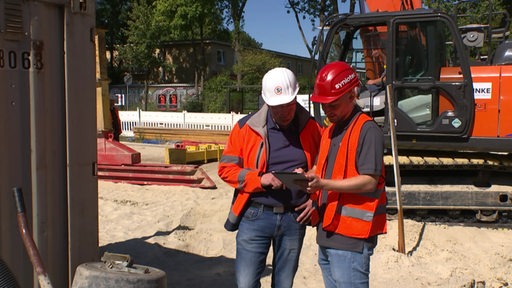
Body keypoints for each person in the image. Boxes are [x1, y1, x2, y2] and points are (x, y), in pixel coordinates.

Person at [218, 67, 322, 288]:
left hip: (295, 217)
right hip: (255, 215)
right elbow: (226, 169)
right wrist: (260, 179)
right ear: (266, 102)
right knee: (246, 284)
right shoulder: (245, 128)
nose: (285, 111)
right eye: (278, 107)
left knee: (284, 284)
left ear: (296, 97)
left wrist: (312, 185)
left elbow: (326, 168)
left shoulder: (312, 128)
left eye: (289, 105)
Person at [305, 61, 387, 288]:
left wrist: (323, 184)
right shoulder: (330, 131)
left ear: (352, 96)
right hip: (328, 229)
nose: (327, 111)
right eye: (323, 106)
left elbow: (369, 181)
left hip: (352, 236)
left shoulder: (367, 130)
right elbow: (324, 169)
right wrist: (308, 176)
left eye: (333, 104)